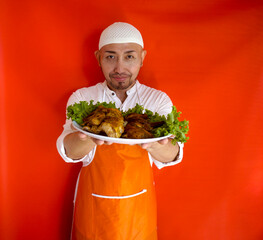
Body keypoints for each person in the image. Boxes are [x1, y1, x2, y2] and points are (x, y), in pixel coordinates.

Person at [57, 22, 184, 240]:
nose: (119, 68)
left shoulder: (157, 100)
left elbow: (173, 154)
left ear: (142, 57)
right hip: (93, 208)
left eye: (129, 56)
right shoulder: (83, 98)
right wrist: (87, 137)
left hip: (138, 209)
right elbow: (69, 151)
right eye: (110, 56)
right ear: (98, 57)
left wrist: (154, 142)